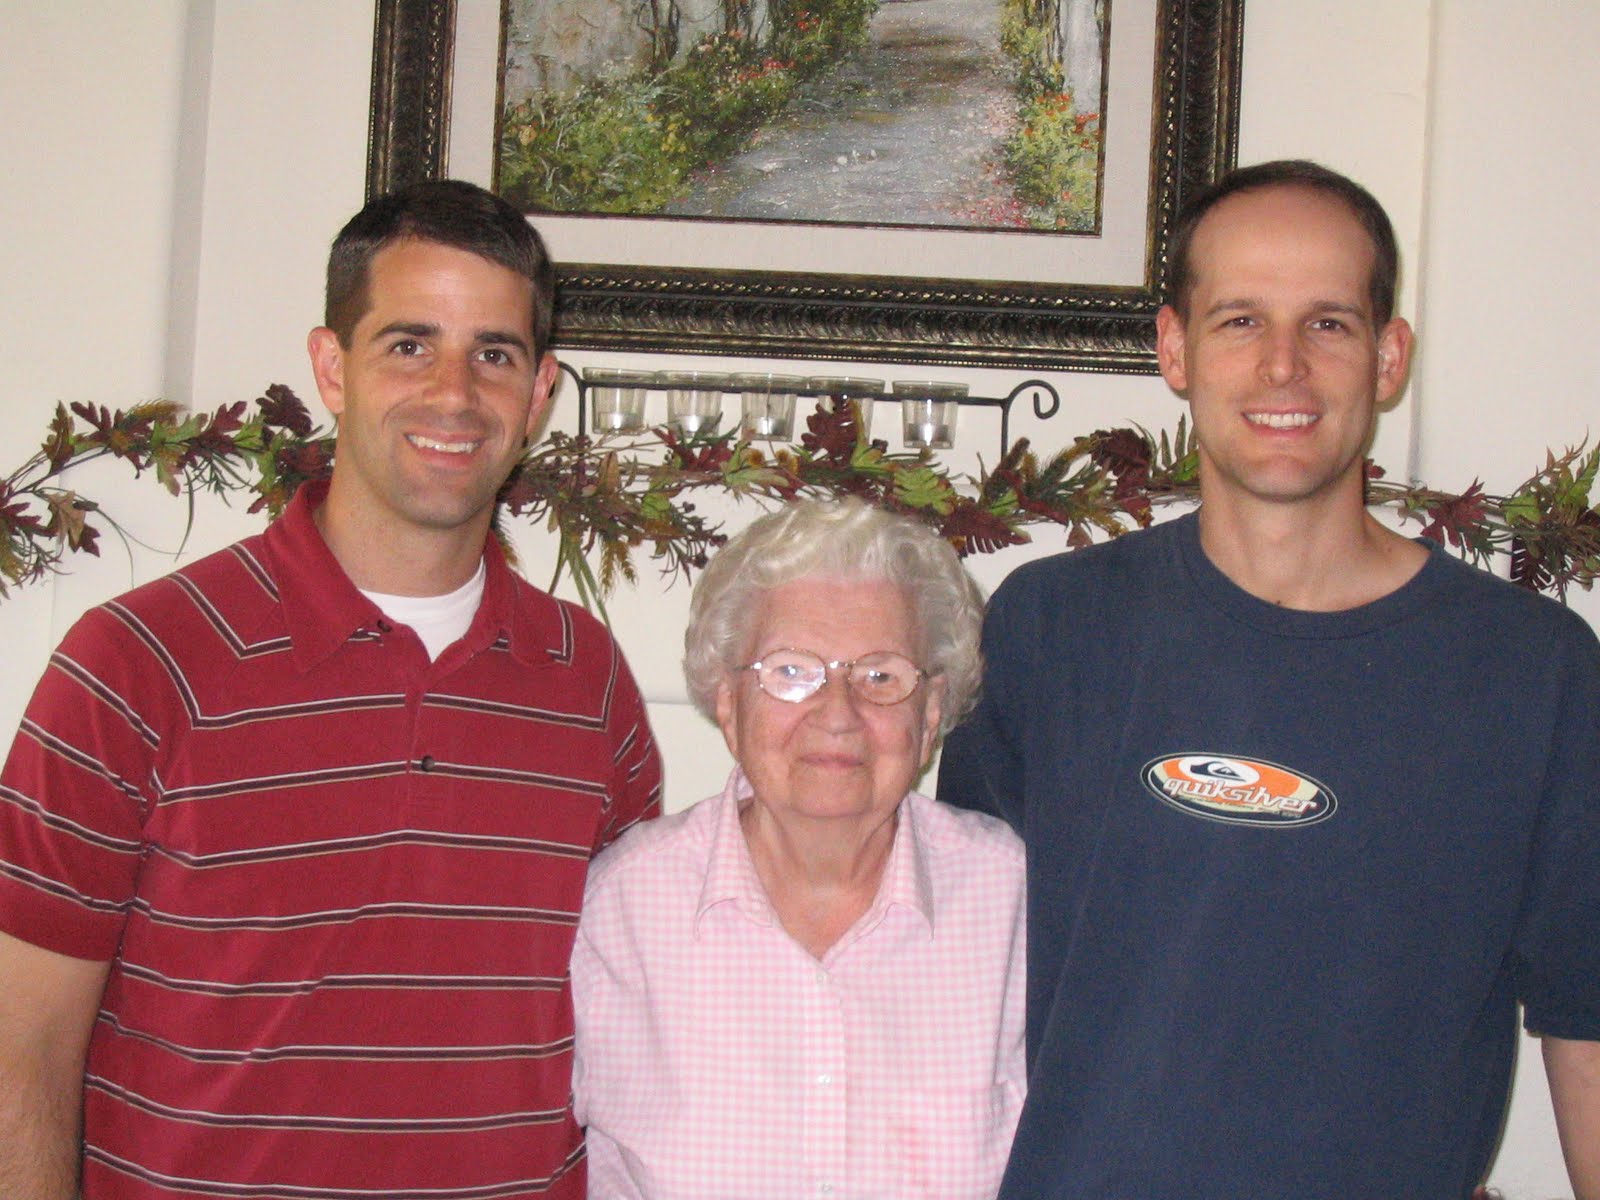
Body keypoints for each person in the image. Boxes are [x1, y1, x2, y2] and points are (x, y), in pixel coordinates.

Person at [937, 160, 1600, 1199]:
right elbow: (950, 972)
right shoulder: (1049, 626)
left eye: (1328, 323)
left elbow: (1586, 1020)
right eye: (1240, 320)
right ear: (1175, 349)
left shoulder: (1532, 669)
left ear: (1388, 356)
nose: (1283, 366)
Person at [0, 180, 662, 1198]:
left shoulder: (588, 681)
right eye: (409, 344)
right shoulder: (136, 664)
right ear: (331, 367)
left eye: (494, 353)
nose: (454, 393)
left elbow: (633, 1015)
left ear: (538, 393)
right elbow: (22, 1054)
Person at [571, 499, 1027, 1199]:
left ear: (931, 712)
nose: (838, 714)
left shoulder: (1013, 903)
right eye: (791, 672)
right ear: (729, 703)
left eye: (881, 676)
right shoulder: (619, 910)